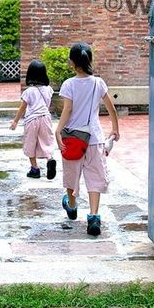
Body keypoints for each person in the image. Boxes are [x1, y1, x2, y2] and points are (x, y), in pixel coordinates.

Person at [55, 42, 120, 237]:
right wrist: (115, 129)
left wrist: (58, 130)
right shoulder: (98, 83)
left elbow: (67, 110)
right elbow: (111, 108)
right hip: (94, 139)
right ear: (89, 60)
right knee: (94, 177)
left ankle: (72, 206)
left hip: (73, 139)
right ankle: (93, 216)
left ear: (71, 62)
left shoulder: (69, 84)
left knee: (71, 176)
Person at [9, 60, 57, 180]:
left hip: (32, 120)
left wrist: (15, 121)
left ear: (30, 74)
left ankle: (34, 169)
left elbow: (22, 108)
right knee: (46, 141)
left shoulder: (29, 92)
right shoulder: (49, 89)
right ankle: (50, 159)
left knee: (30, 143)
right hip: (46, 118)